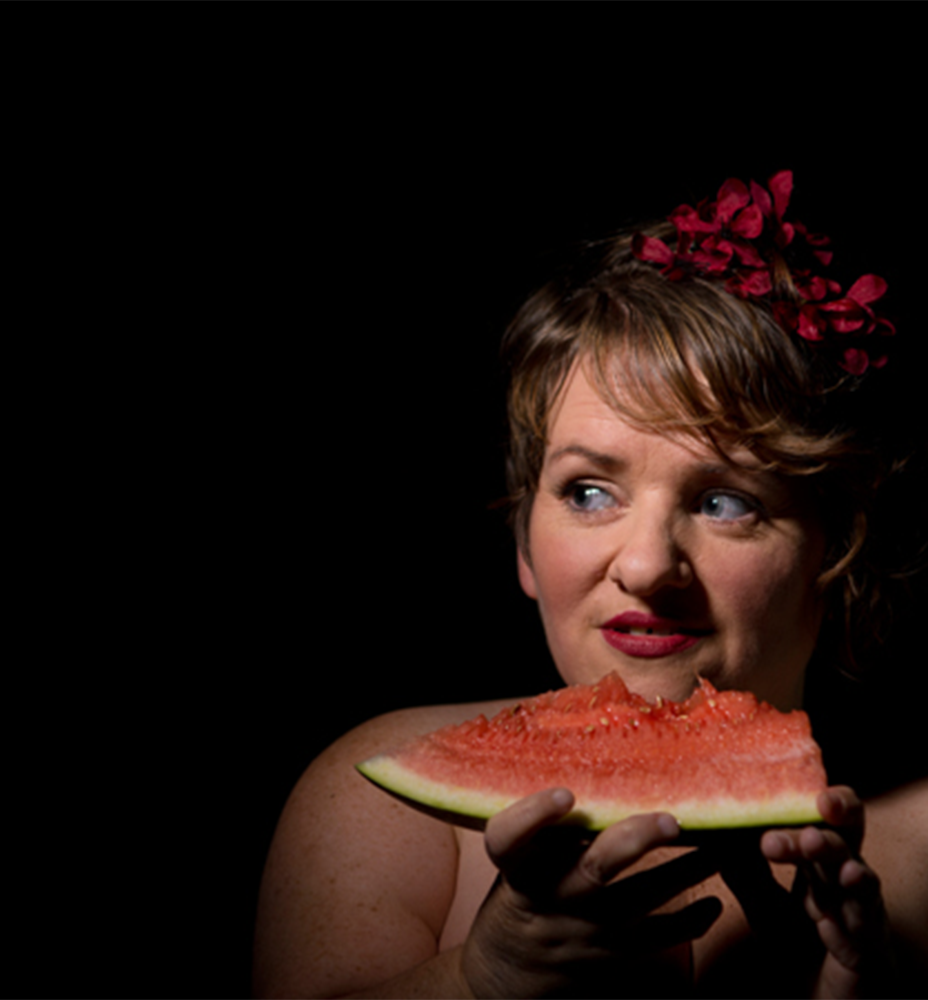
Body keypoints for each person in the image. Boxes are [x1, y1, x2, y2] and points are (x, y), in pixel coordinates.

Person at [254, 172, 928, 998]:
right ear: (525, 545)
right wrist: (481, 980)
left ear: (838, 554)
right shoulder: (382, 811)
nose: (644, 565)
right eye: (588, 492)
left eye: (726, 503)